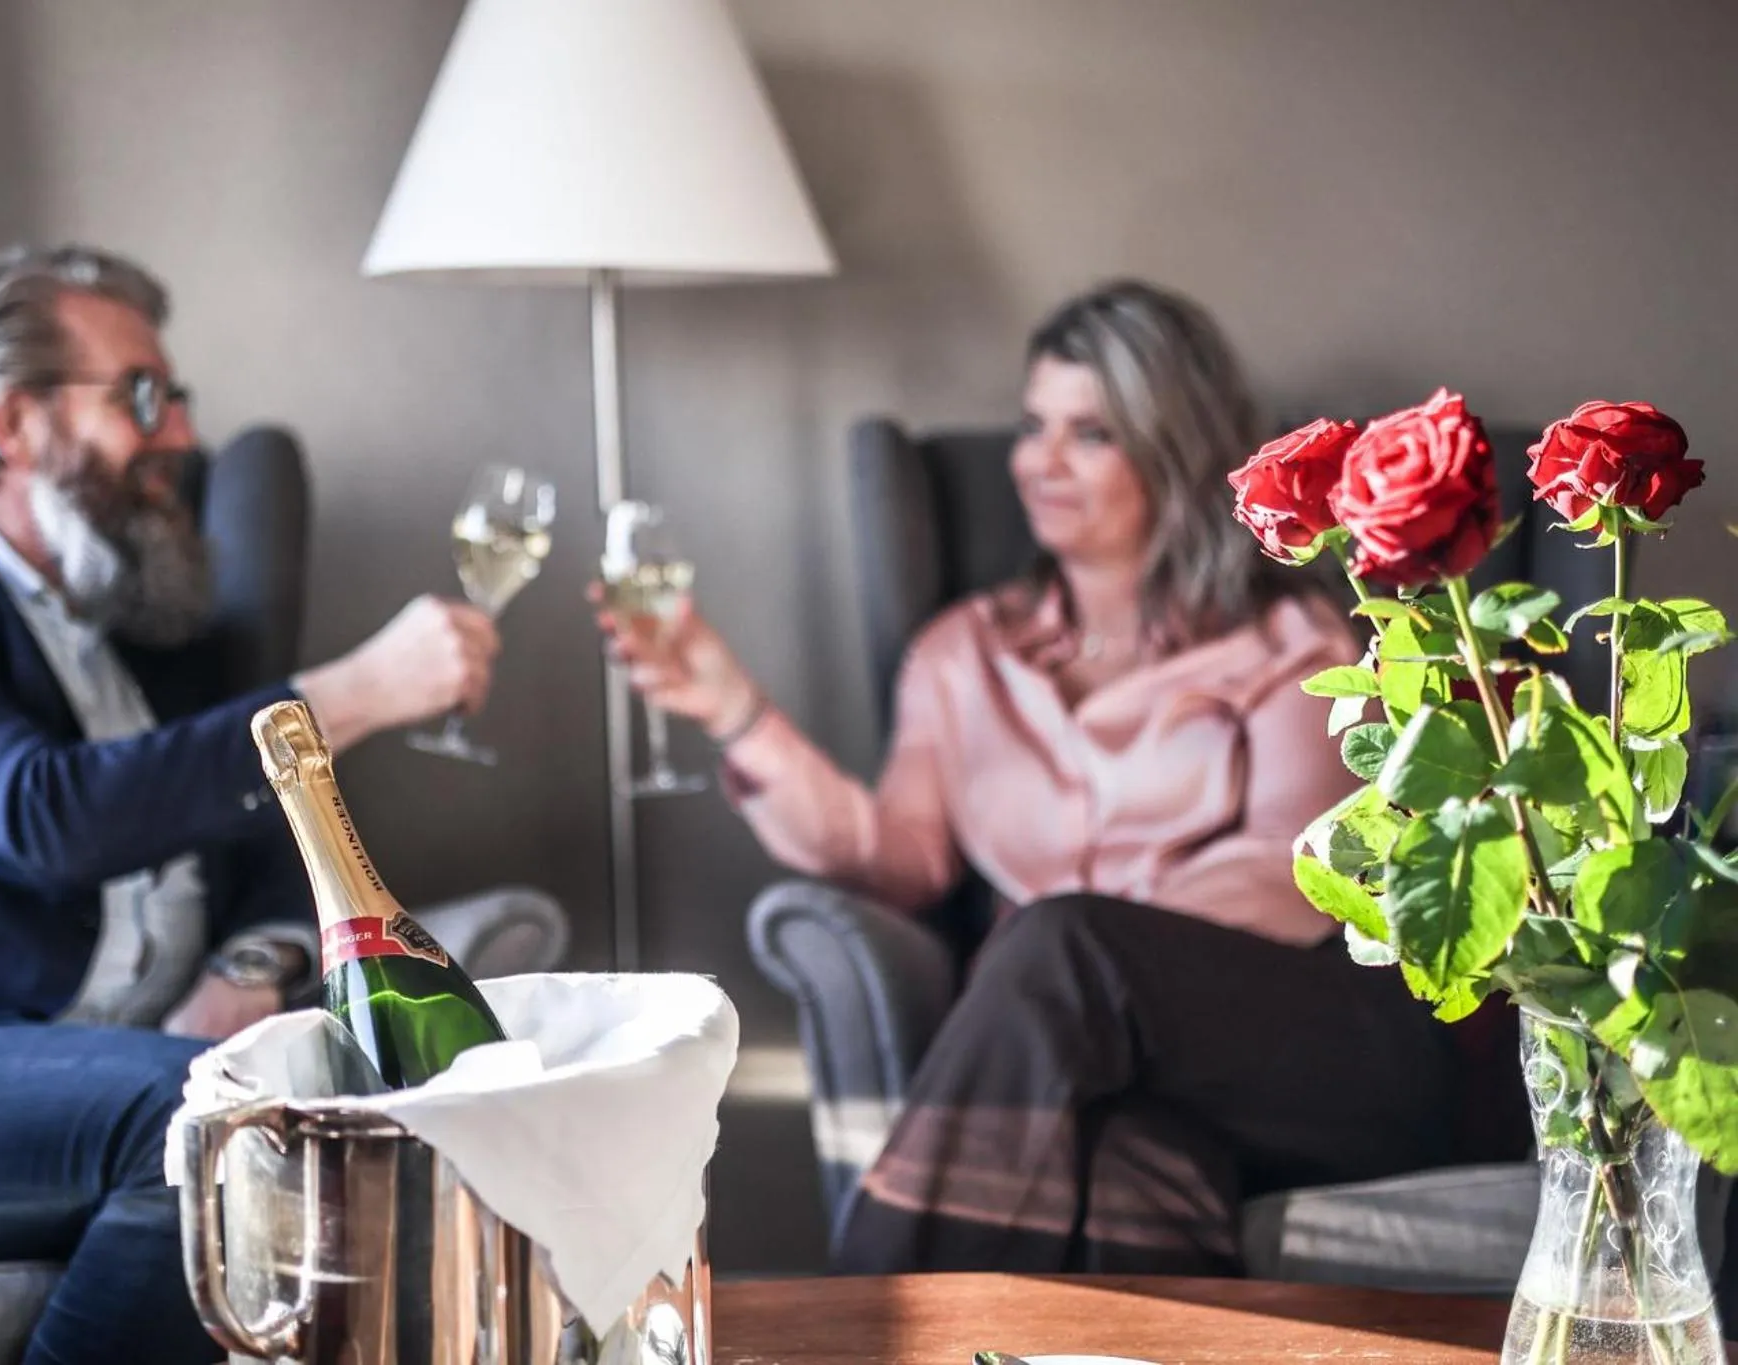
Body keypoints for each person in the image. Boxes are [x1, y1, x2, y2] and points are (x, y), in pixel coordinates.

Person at [0, 245, 500, 1364]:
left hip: (136, 1065)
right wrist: (348, 694)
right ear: (12, 423)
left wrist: (243, 970)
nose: (177, 433)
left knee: (396, 1108)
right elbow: (41, 816)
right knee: (218, 1124)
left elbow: (273, 851)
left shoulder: (147, 620)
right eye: (140, 395)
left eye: (172, 396)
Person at [597, 279, 1462, 1275]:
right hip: (1097, 1066)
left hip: (1322, 1051)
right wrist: (732, 710)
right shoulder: (962, 653)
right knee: (1136, 1167)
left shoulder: (1287, 641)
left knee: (1062, 945)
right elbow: (899, 859)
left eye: (1087, 433)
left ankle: (847, 1336)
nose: (1038, 462)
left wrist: (1069, 949)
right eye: (1031, 425)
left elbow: (1298, 871)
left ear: (1169, 455)